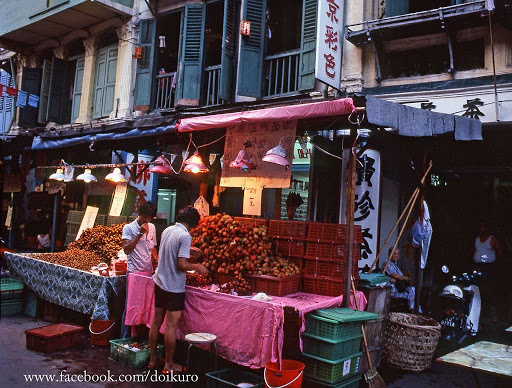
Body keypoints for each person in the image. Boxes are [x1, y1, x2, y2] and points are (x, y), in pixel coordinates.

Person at [148, 206, 208, 373]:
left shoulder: (168, 229)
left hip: (159, 281)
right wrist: (198, 267)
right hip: (173, 286)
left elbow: (169, 252)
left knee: (156, 322)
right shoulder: (185, 235)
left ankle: (153, 360)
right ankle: (169, 364)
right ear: (193, 224)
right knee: (171, 327)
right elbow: (182, 264)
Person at [121, 201, 158, 338]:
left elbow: (153, 247)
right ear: (139, 214)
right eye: (144, 218)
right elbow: (127, 250)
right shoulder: (128, 228)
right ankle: (125, 339)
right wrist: (139, 234)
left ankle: (140, 338)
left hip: (148, 273)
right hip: (134, 272)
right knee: (131, 307)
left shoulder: (153, 227)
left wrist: (155, 261)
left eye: (149, 218)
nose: (147, 221)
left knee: (145, 307)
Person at [473, 220, 501, 320]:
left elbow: (499, 253)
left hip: (489, 268)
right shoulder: (476, 239)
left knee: (489, 291)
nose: (480, 230)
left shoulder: (492, 239)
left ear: (487, 229)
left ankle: (493, 315)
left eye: (482, 227)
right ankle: (478, 314)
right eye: (479, 227)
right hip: (478, 267)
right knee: (477, 290)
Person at [385, 247, 416, 312]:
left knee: (412, 289)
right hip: (392, 290)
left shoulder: (395, 265)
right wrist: (402, 277)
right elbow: (395, 275)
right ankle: (411, 309)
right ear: (390, 254)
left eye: (397, 254)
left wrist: (402, 278)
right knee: (408, 296)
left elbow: (401, 276)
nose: (396, 255)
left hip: (399, 288)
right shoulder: (387, 263)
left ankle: (412, 308)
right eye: (394, 254)